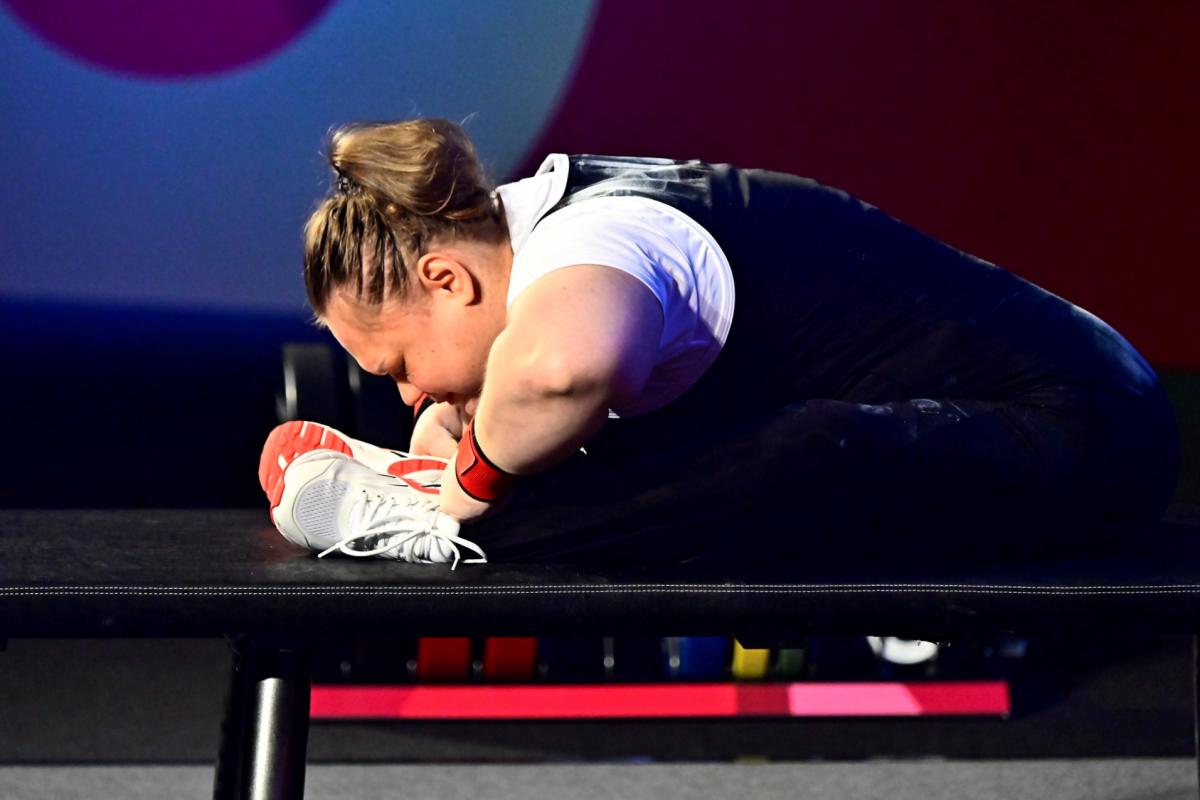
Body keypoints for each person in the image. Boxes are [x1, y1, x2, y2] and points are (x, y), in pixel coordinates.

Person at [260, 117, 1180, 572]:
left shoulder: (592, 238)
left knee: (803, 454)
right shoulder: (551, 239)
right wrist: (466, 437)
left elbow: (558, 370)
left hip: (1086, 441)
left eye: (401, 368)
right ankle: (428, 509)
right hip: (1022, 434)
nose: (410, 395)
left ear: (447, 282)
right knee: (719, 449)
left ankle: (423, 529)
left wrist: (462, 492)